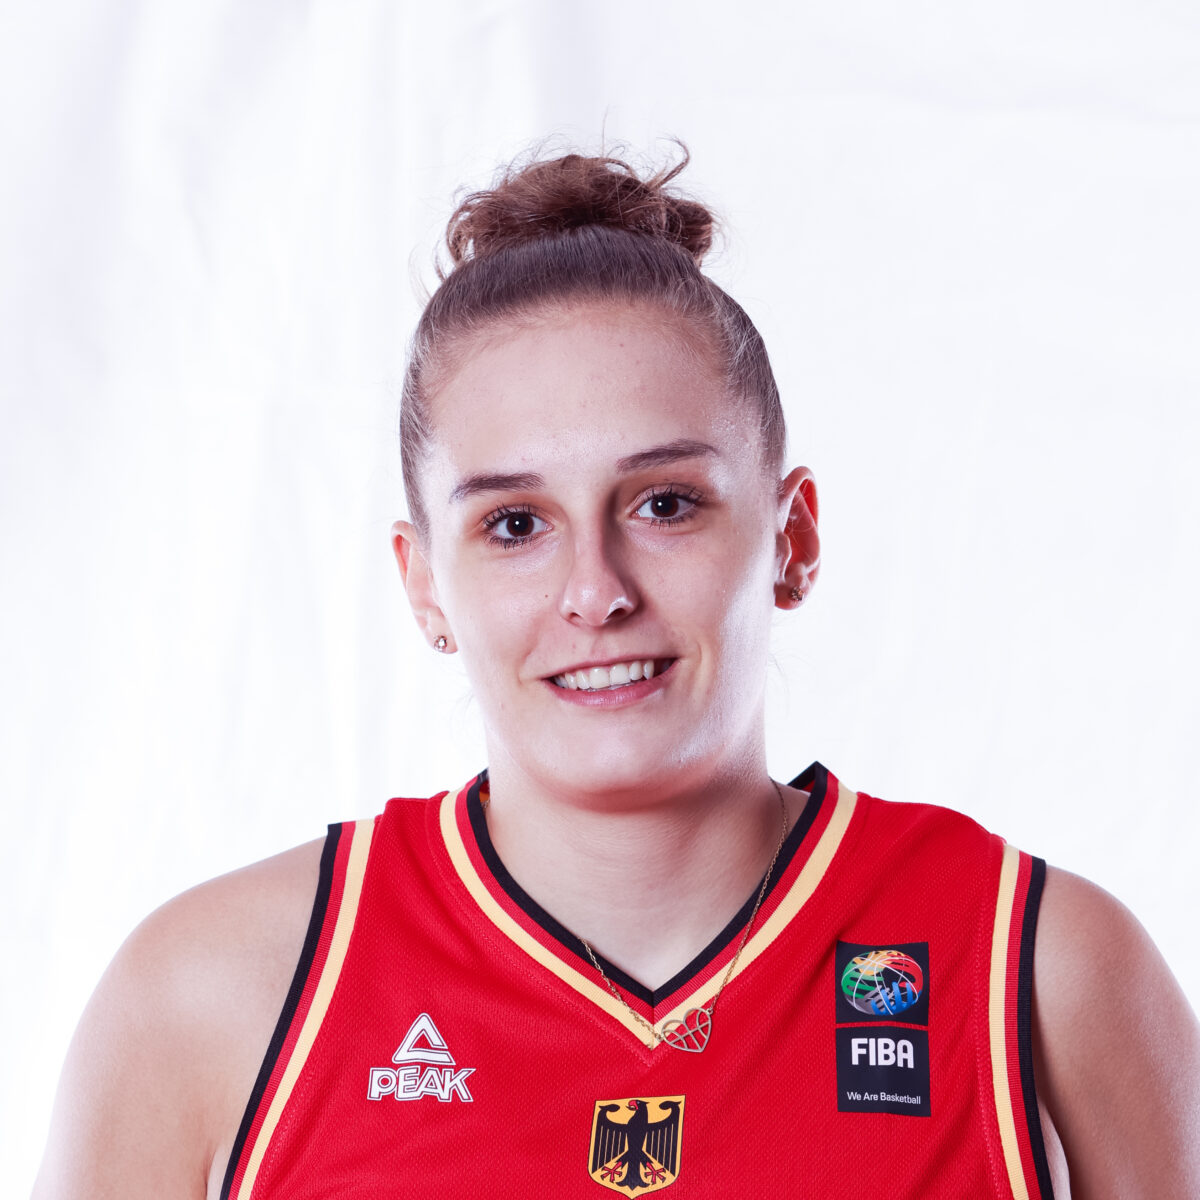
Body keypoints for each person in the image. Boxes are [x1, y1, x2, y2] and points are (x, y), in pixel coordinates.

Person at [33, 146, 1200, 1200]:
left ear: (792, 538)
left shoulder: (1041, 970)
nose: (596, 591)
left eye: (665, 504)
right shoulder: (215, 999)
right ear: (424, 582)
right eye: (514, 525)